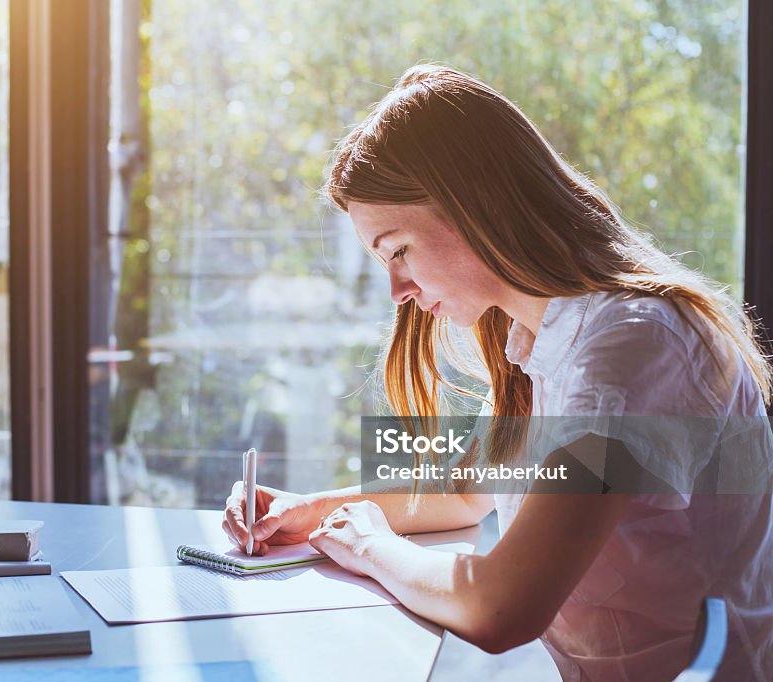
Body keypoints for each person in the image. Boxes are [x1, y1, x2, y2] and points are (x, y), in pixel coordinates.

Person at [222, 65, 773, 681]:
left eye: (398, 249)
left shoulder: (630, 350)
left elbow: (499, 607)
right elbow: (463, 493)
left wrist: (370, 547)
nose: (397, 289)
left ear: (476, 204)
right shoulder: (538, 344)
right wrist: (308, 509)